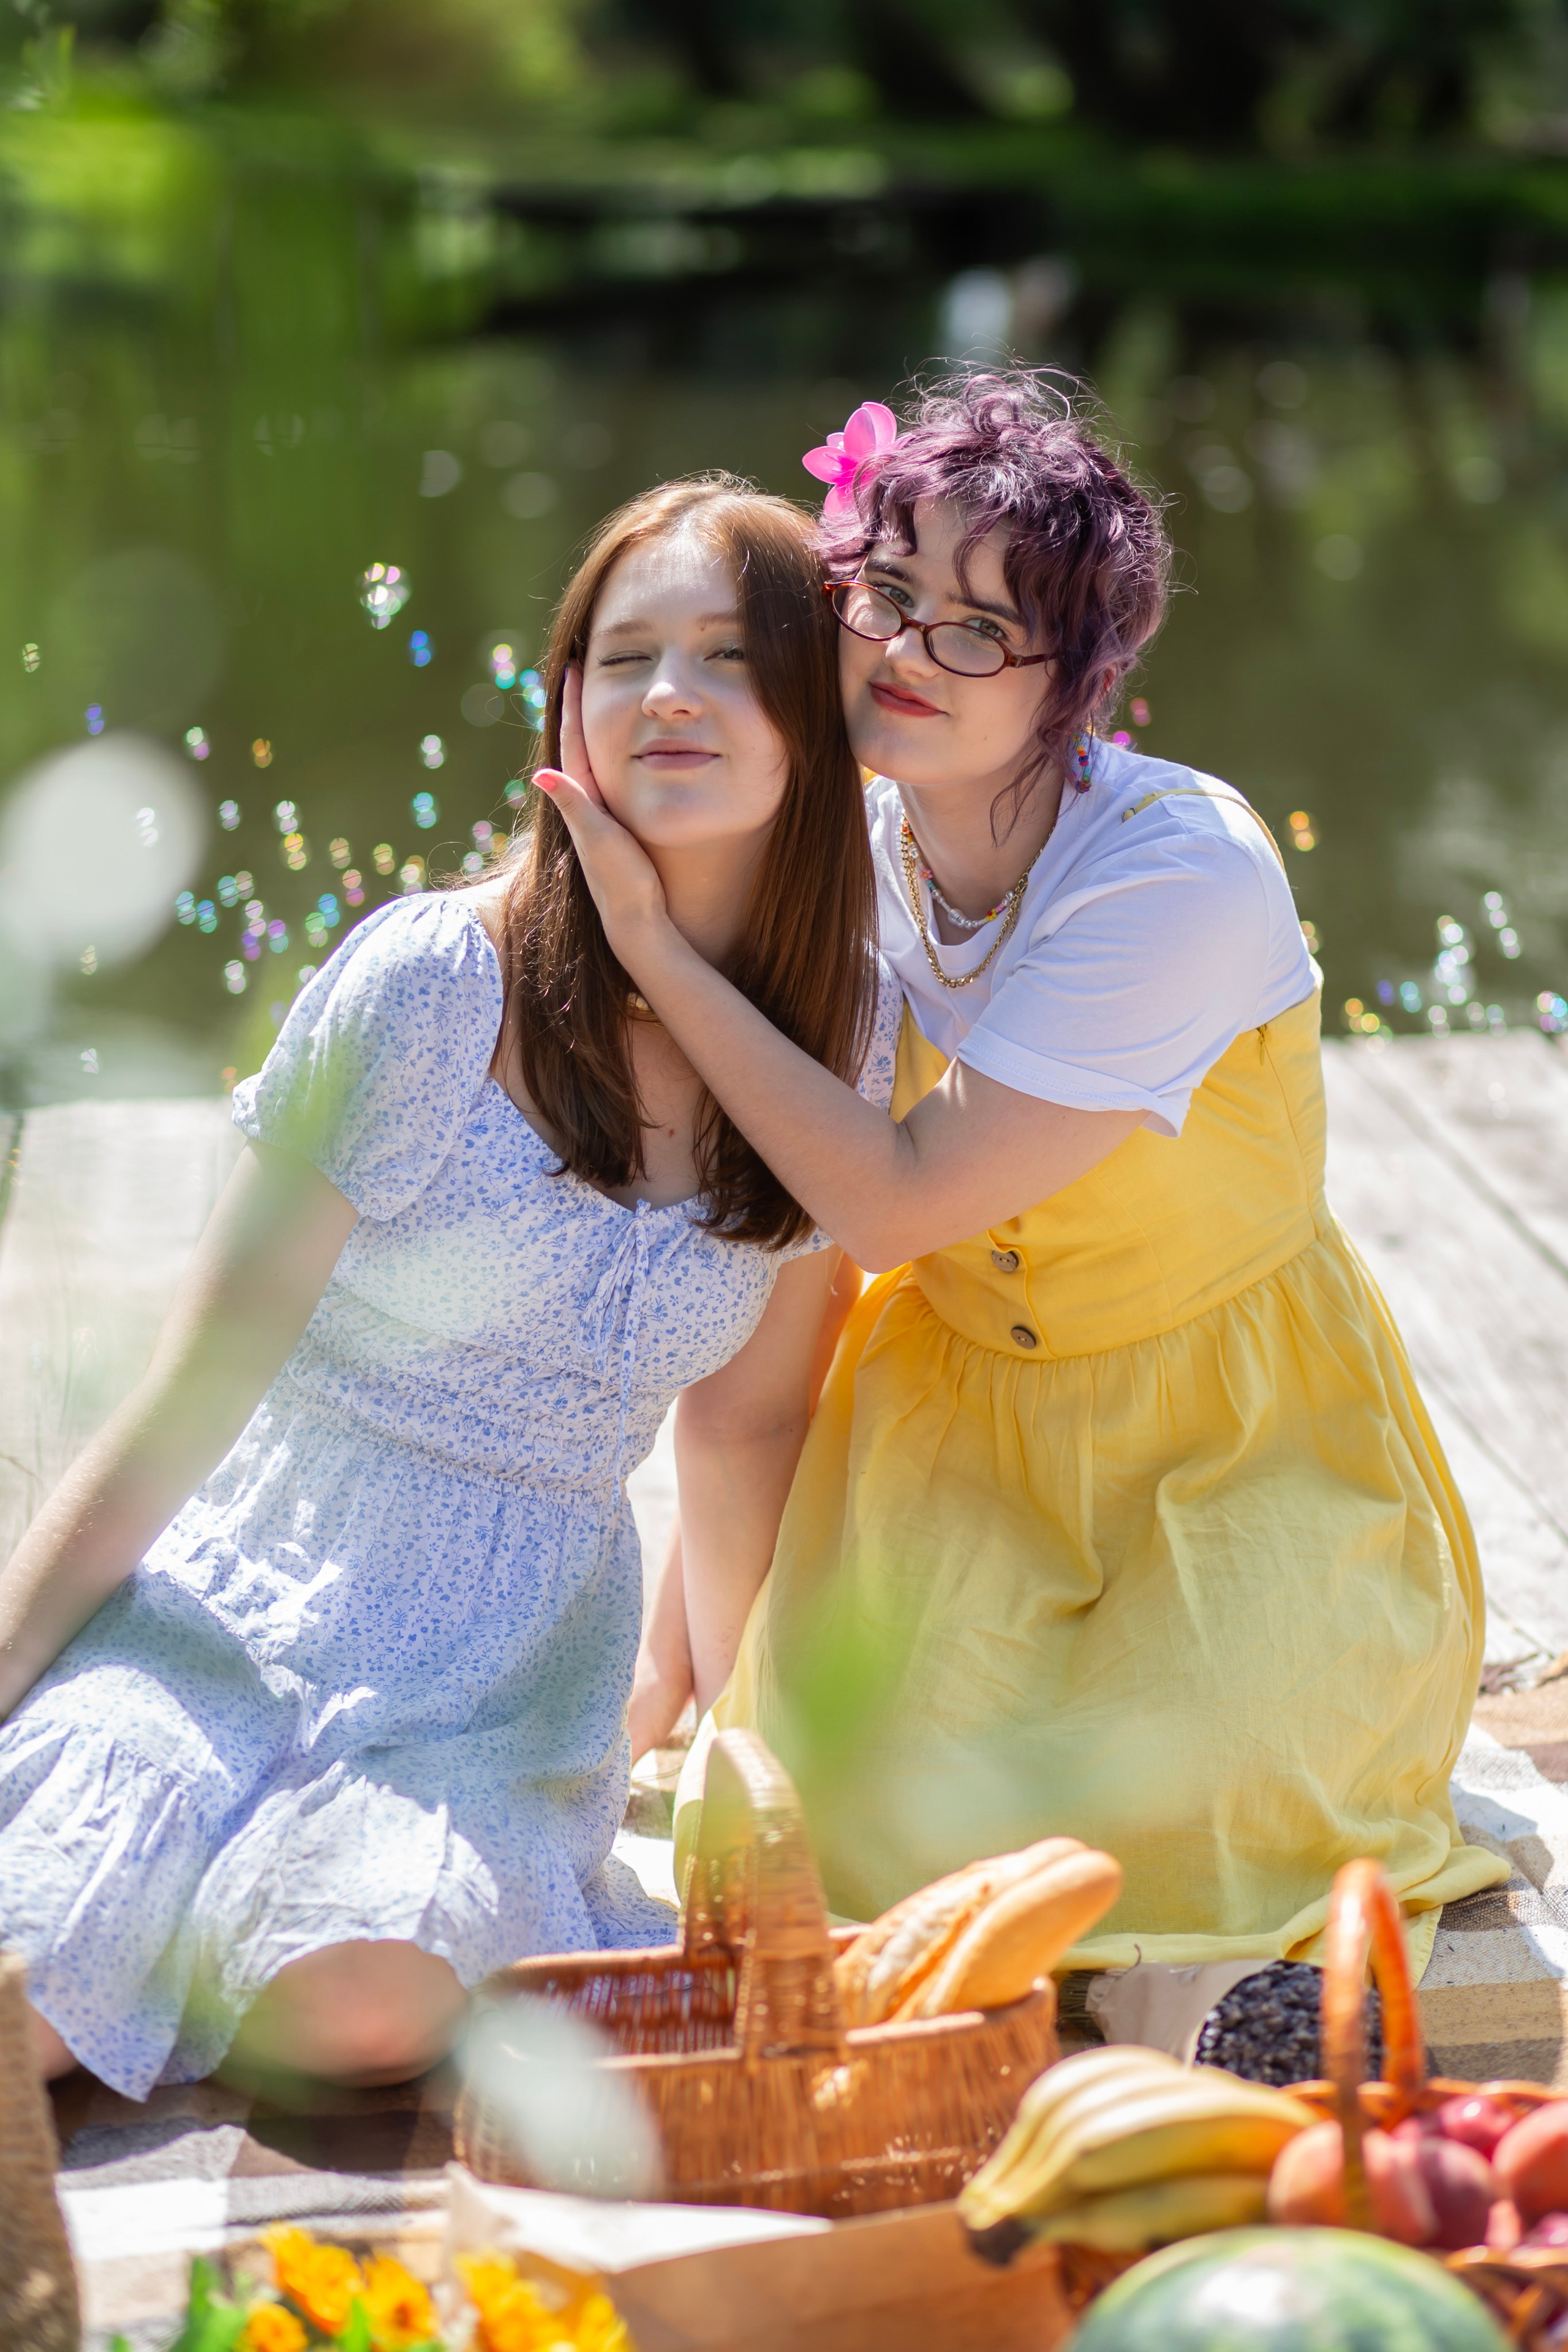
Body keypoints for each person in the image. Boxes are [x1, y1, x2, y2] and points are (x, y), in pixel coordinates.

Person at [537, 372, 1509, 1975]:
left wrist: (654, 942)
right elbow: (793, 1273)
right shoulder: (839, 836)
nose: (914, 655)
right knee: (870, 1807)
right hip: (957, 1414)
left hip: (1225, 1427)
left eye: (983, 630)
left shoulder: (1176, 873)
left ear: (1088, 677)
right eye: (887, 597)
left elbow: (897, 1198)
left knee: (1212, 1804)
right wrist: (702, 1654)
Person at [0, 475, 897, 2097]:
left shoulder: (847, 1049)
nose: (668, 695)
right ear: (564, 705)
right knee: (35, 1979)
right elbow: (197, 1379)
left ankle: (247, 1907)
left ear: (817, 733)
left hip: (502, 1670)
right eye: (623, 658)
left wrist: (737, 1774)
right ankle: (151, 1882)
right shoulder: (432, 984)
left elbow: (745, 1436)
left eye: (726, 659)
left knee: (357, 2015)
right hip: (243, 1592)